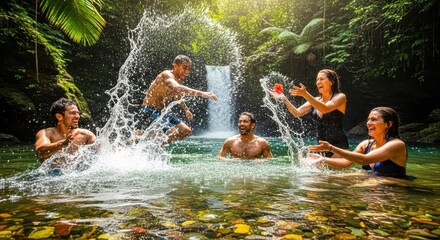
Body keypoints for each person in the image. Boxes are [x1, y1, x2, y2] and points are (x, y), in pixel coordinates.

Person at [308, 107, 408, 178]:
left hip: (393, 187)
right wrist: (323, 159)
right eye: (368, 119)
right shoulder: (366, 144)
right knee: (331, 178)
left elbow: (363, 160)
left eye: (373, 120)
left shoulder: (397, 145)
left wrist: (331, 148)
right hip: (374, 182)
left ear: (389, 124)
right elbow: (345, 162)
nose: (368, 123)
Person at [138, 55, 218, 143]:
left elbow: (177, 95)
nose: (187, 71)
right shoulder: (166, 75)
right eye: (184, 67)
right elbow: (177, 88)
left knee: (186, 131)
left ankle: (153, 142)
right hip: (149, 110)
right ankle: (149, 146)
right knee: (173, 133)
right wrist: (201, 93)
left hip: (161, 112)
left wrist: (186, 110)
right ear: (175, 66)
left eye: (189, 69)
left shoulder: (179, 79)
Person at [271, 69, 349, 157]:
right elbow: (296, 113)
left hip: (339, 147)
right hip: (321, 147)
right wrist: (284, 98)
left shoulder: (340, 97)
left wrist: (305, 94)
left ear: (331, 82)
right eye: (317, 80)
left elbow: (325, 108)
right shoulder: (315, 100)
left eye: (321, 79)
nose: (318, 82)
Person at [35, 98, 96, 163]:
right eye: (73, 113)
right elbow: (40, 152)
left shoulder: (86, 135)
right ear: (59, 116)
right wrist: (63, 143)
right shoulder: (47, 133)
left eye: (78, 113)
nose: (78, 116)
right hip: (51, 172)